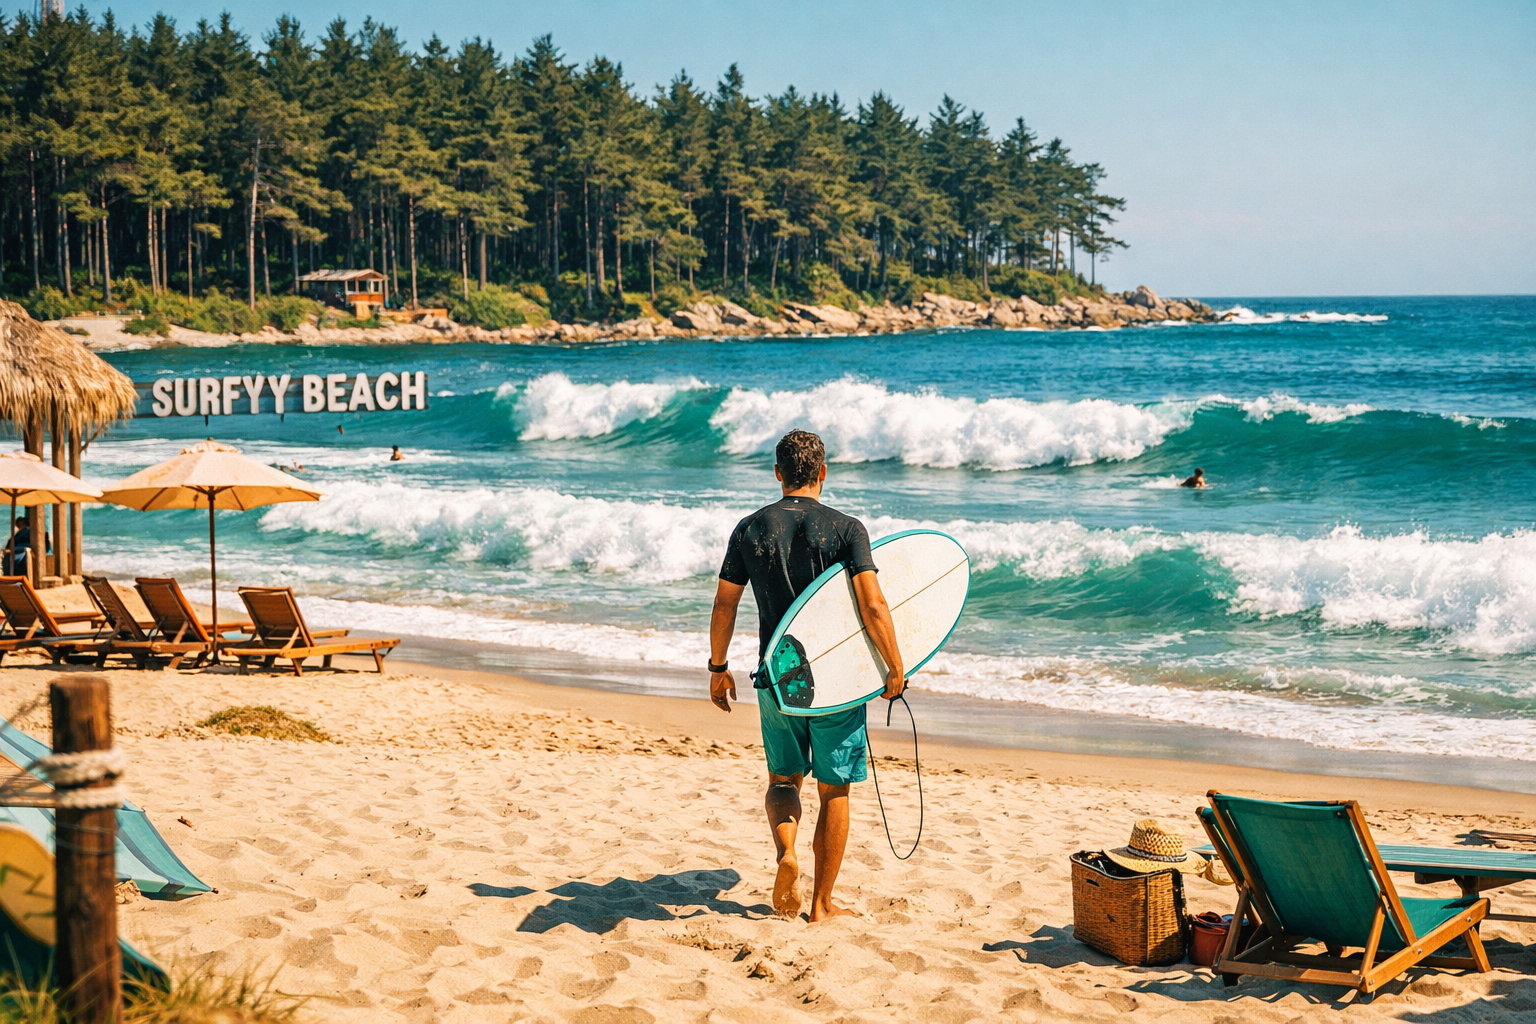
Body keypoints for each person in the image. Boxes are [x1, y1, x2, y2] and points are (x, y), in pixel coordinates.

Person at [709, 429, 904, 923]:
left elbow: (724, 603)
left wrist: (718, 668)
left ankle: (786, 854)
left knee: (782, 779)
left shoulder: (749, 529)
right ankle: (820, 904)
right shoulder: (846, 529)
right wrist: (894, 666)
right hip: (835, 681)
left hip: (778, 676)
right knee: (834, 788)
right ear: (822, 472)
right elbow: (873, 604)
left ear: (778, 474)